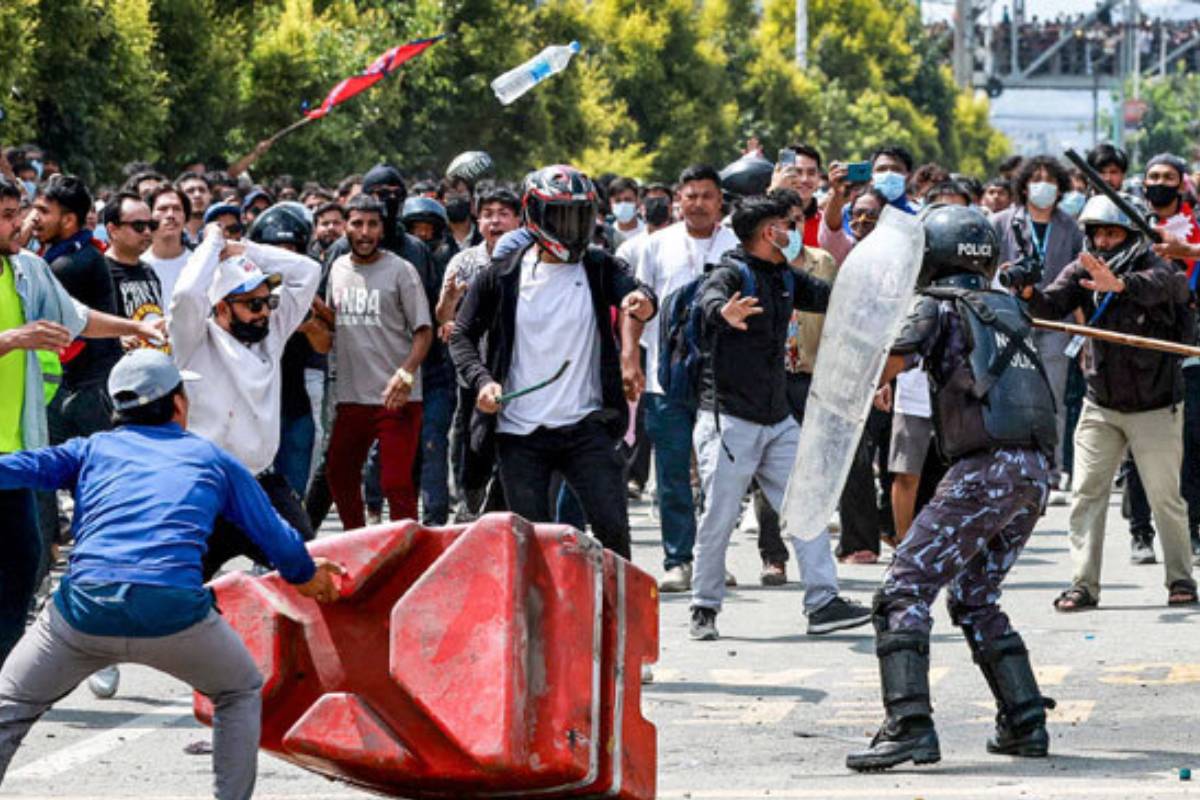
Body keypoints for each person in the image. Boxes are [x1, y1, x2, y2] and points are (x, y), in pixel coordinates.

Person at [0, 349, 343, 800]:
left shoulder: (90, 450)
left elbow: (15, 468)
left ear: (114, 408)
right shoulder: (213, 459)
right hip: (173, 613)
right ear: (179, 404)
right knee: (238, 690)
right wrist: (307, 576)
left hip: (84, 611)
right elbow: (279, 541)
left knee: (10, 706)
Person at [847, 204, 1057, 772]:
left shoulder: (937, 306)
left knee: (902, 591)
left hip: (986, 471)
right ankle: (1025, 721)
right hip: (1033, 471)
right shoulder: (1007, 307)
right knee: (974, 595)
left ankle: (910, 726)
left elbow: (886, 363)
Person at [686, 194, 870, 641]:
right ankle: (704, 607)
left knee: (807, 508)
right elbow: (707, 300)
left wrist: (877, 291)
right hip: (730, 421)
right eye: (786, 225)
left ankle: (823, 602)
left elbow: (829, 297)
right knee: (719, 517)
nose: (793, 232)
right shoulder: (732, 273)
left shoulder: (784, 276)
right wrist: (722, 312)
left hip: (777, 420)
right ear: (769, 232)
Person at [0, 175, 165, 667]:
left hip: (15, 456)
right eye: (8, 216)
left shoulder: (27, 270)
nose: (22, 224)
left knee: (23, 564)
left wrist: (135, 327)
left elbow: (75, 316)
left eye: (20, 212)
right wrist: (12, 339)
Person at [450, 165, 656, 559]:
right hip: (520, 433)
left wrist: (642, 303)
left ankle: (616, 600)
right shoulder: (501, 275)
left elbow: (638, 293)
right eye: (561, 216)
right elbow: (461, 335)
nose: (571, 228)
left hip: (586, 427)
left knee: (613, 529)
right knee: (533, 543)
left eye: (579, 216)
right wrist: (482, 381)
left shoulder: (599, 266)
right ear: (534, 215)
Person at [1028, 196, 1196, 610]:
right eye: (1097, 233)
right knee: (1086, 492)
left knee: (1165, 497)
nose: (1102, 242)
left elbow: (1171, 287)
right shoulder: (1083, 266)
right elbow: (1050, 303)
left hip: (1155, 405)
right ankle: (1083, 584)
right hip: (1100, 403)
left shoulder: (1157, 266)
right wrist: (1026, 290)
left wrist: (1122, 286)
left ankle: (1180, 578)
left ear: (1132, 236)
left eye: (1112, 233)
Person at [169, 219, 321, 578]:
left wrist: (245, 250)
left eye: (267, 301)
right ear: (221, 308)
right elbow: (187, 295)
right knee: (177, 586)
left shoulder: (271, 334)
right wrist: (212, 243)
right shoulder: (193, 341)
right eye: (253, 304)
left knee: (311, 570)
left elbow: (309, 271)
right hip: (206, 488)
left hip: (260, 486)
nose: (265, 312)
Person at [325, 194, 433, 528]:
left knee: (396, 483)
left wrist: (406, 373)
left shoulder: (402, 271)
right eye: (357, 223)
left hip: (397, 397)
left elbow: (424, 331)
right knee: (339, 473)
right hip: (351, 396)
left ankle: (408, 549)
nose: (365, 232)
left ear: (383, 229)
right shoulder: (337, 268)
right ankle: (356, 540)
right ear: (345, 227)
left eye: (373, 224)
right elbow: (330, 325)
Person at [992, 155, 1084, 506]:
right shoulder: (1002, 222)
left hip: (1056, 322)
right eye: (1036, 179)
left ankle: (1052, 469)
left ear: (1060, 188)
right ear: (1024, 185)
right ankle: (1012, 468)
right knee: (1011, 395)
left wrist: (1082, 330)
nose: (1043, 186)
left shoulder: (1070, 227)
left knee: (1052, 397)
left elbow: (1079, 282)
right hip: (1009, 319)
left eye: (1050, 180)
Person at [438, 184, 522, 521]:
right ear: (478, 219)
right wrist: (450, 302)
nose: (495, 221)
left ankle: (501, 508)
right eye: (488, 214)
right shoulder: (464, 262)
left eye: (503, 214)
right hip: (474, 374)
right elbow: (443, 317)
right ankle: (468, 505)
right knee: (472, 443)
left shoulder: (531, 260)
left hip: (517, 371)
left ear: (519, 220)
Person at [32, 175, 125, 442]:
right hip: (80, 387)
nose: (33, 218)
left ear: (69, 220)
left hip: (88, 395)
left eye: (43, 212)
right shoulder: (72, 252)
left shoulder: (69, 265)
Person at [101, 192, 167, 352]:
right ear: (113, 230)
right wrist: (116, 340)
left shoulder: (148, 270)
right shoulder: (99, 271)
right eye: (138, 226)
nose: (147, 232)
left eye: (151, 225)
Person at [142, 185, 193, 306]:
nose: (170, 215)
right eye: (162, 209)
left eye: (177, 209)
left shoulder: (199, 263)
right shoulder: (138, 265)